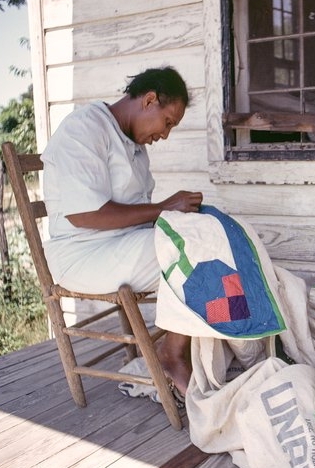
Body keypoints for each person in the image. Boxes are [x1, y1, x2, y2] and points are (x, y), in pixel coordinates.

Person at [41, 66, 203, 396]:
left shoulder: (134, 146)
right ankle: (172, 356)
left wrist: (183, 217)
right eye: (168, 122)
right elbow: (84, 214)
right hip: (83, 254)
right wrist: (163, 208)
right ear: (149, 100)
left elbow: (140, 216)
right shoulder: (85, 129)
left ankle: (185, 349)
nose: (166, 134)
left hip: (120, 245)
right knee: (192, 252)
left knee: (202, 235)